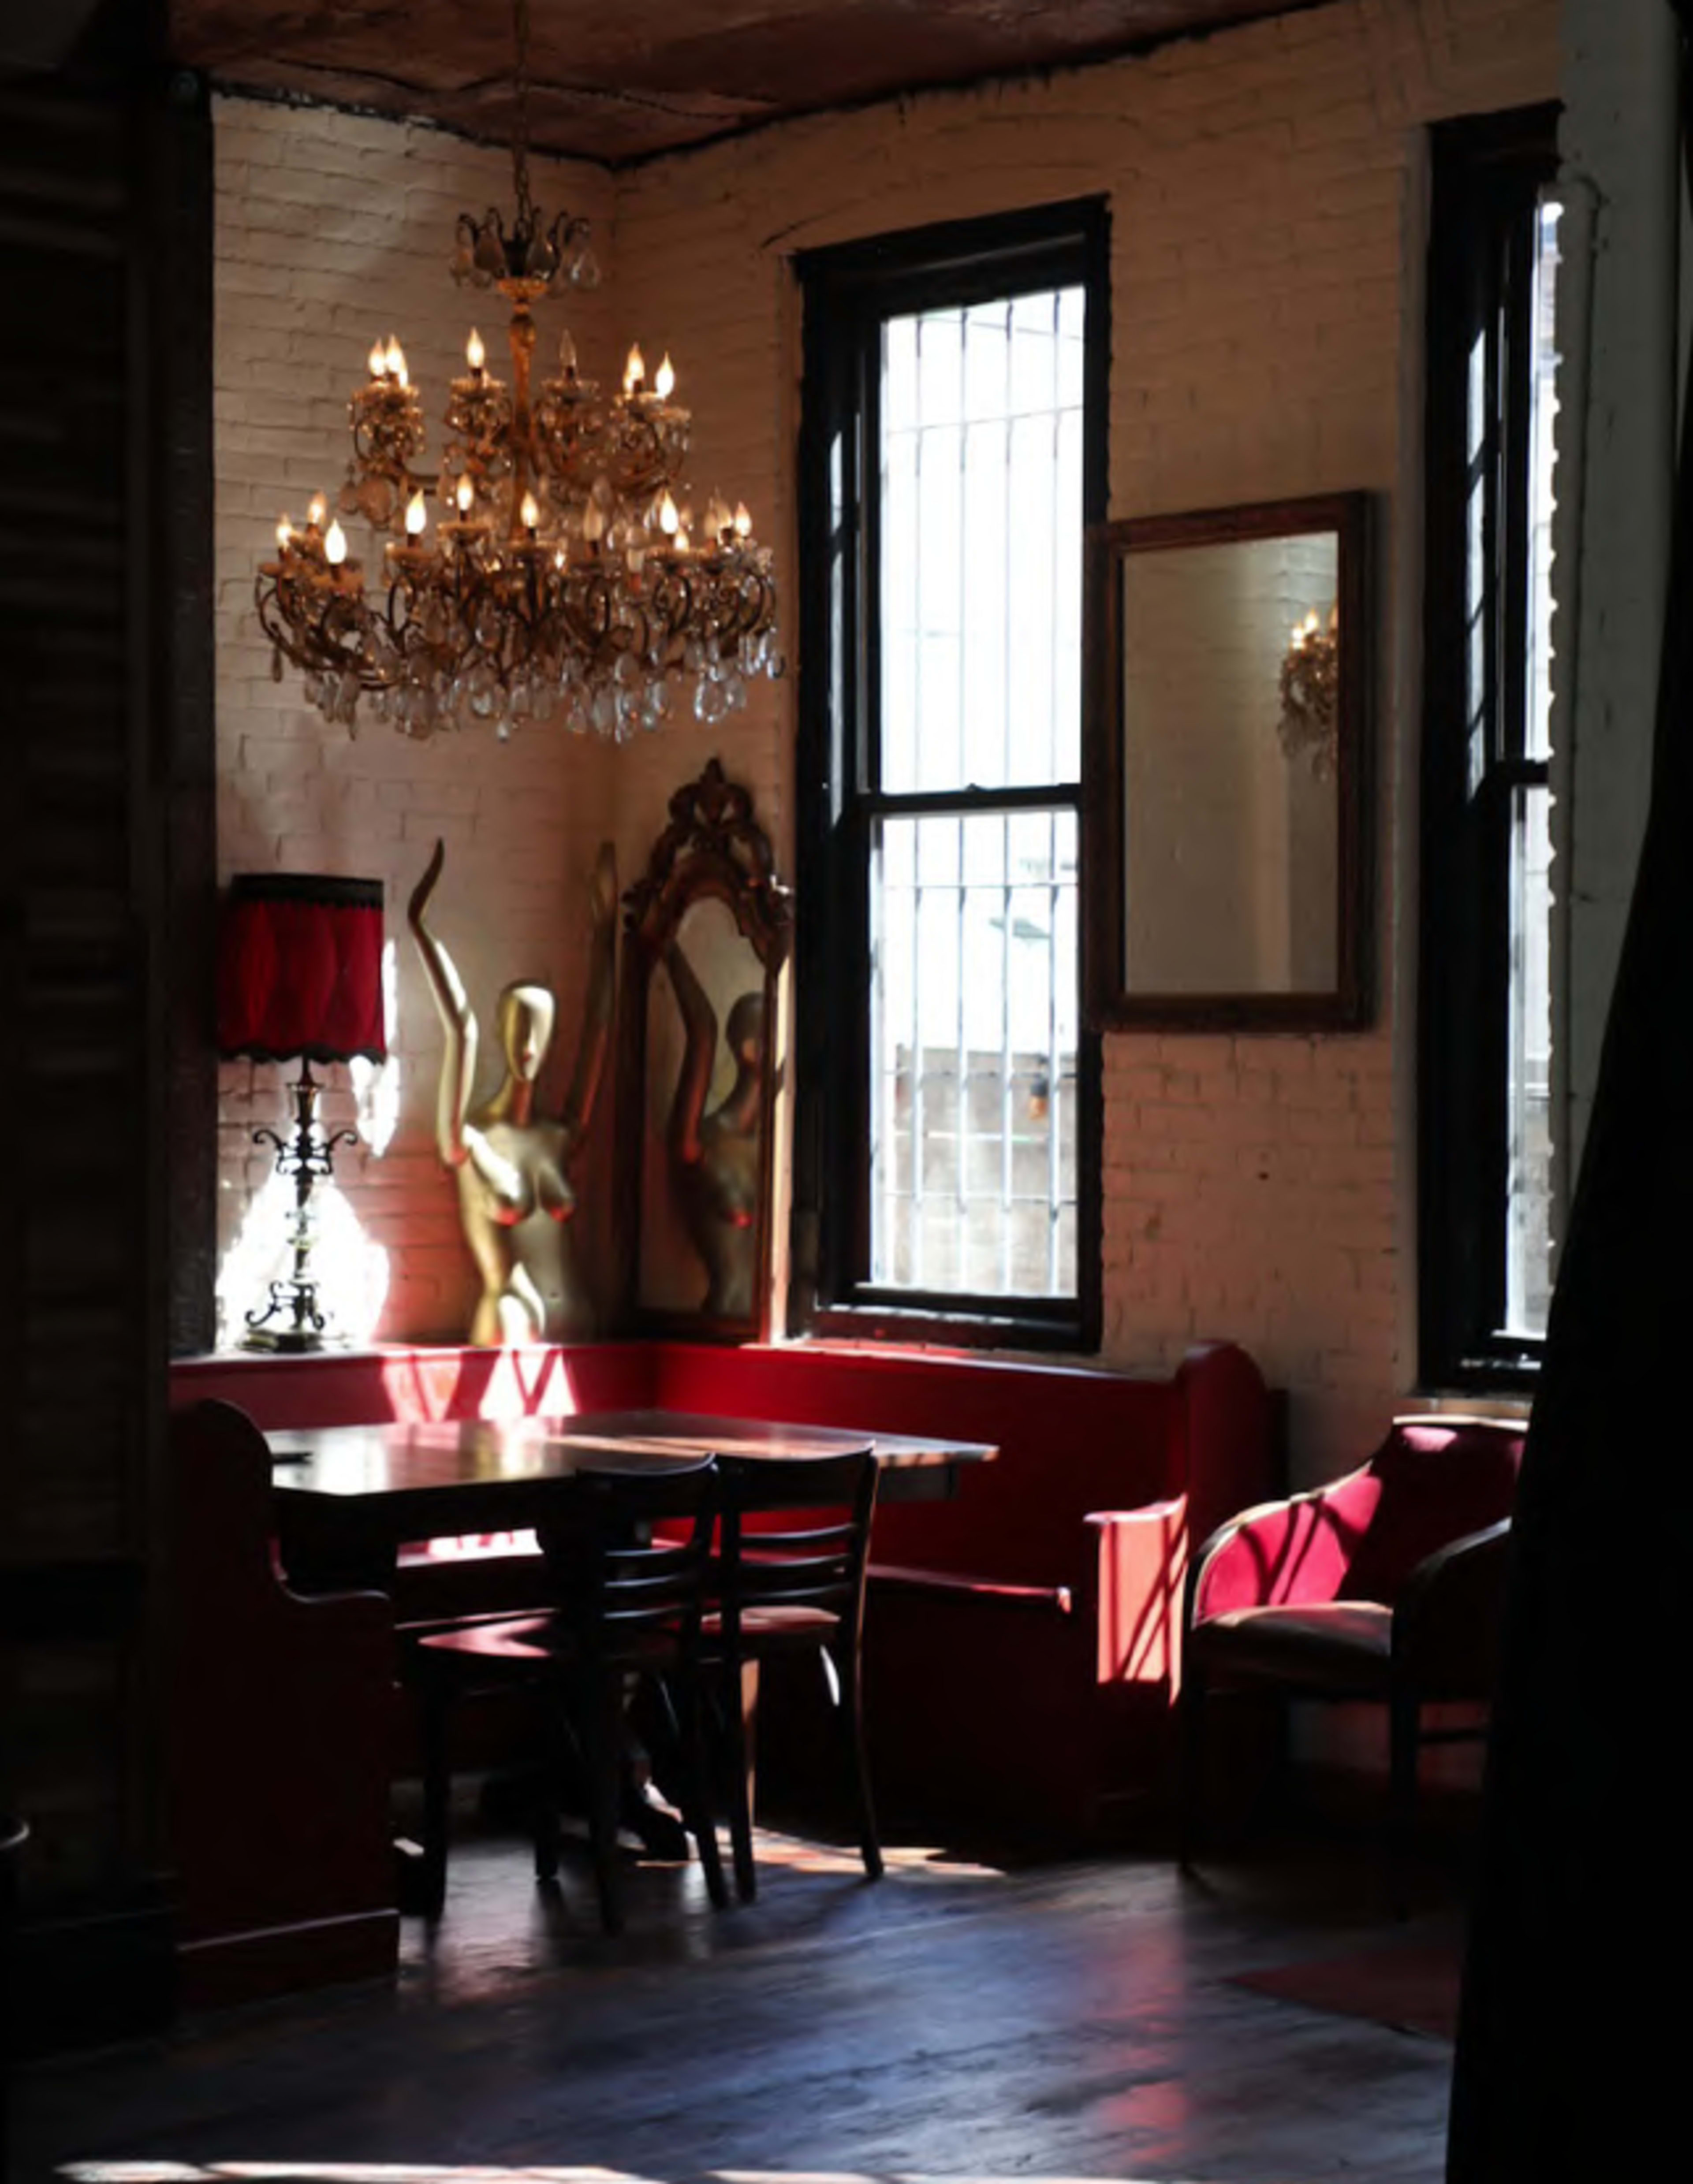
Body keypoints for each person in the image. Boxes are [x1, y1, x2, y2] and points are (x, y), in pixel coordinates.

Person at [407, 836, 616, 1345]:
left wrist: (608, 936)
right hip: (509, 1317)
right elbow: (462, 1030)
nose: (528, 1044)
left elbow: (600, 1033)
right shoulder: (469, 1138)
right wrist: (420, 928)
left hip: (577, 1317)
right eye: (518, 1028)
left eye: (540, 1031)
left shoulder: (560, 1134)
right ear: (501, 1032)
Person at [663, 932, 766, 1320]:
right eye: (773, 1035)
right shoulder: (703, 1140)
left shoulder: (775, 1147)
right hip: (723, 1319)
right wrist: (669, 944)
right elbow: (702, 1031)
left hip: (772, 1330)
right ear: (751, 1049)